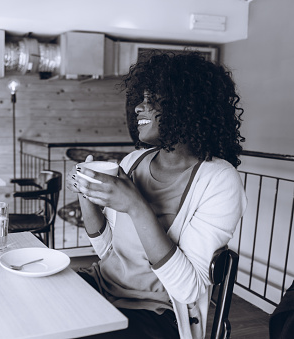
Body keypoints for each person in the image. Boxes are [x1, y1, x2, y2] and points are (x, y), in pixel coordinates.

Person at [66, 51, 247, 339]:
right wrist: (86, 196)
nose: (138, 107)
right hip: (101, 287)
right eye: (140, 98)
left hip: (157, 314)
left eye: (152, 100)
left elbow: (188, 288)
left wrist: (136, 206)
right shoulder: (132, 162)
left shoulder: (219, 181)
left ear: (186, 106)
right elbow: (109, 253)